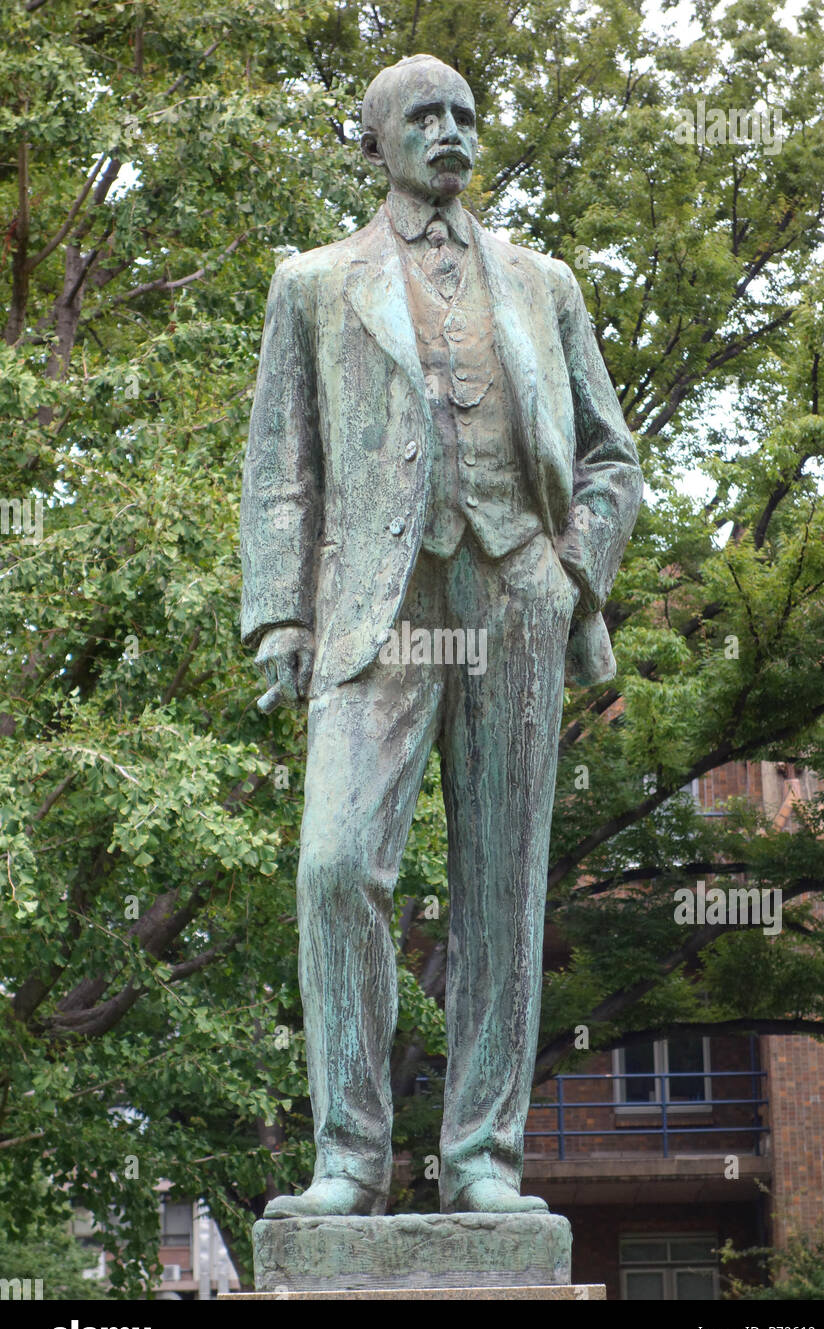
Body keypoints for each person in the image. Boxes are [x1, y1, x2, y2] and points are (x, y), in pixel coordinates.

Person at [240, 53, 642, 1216]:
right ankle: (347, 1159)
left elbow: (610, 458)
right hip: (376, 601)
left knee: (502, 884)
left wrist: (571, 572)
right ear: (374, 139)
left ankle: (482, 1159)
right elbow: (282, 467)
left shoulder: (540, 281)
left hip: (512, 589)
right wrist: (277, 608)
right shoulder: (313, 284)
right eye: (423, 117)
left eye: (464, 115)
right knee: (333, 866)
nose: (449, 132)